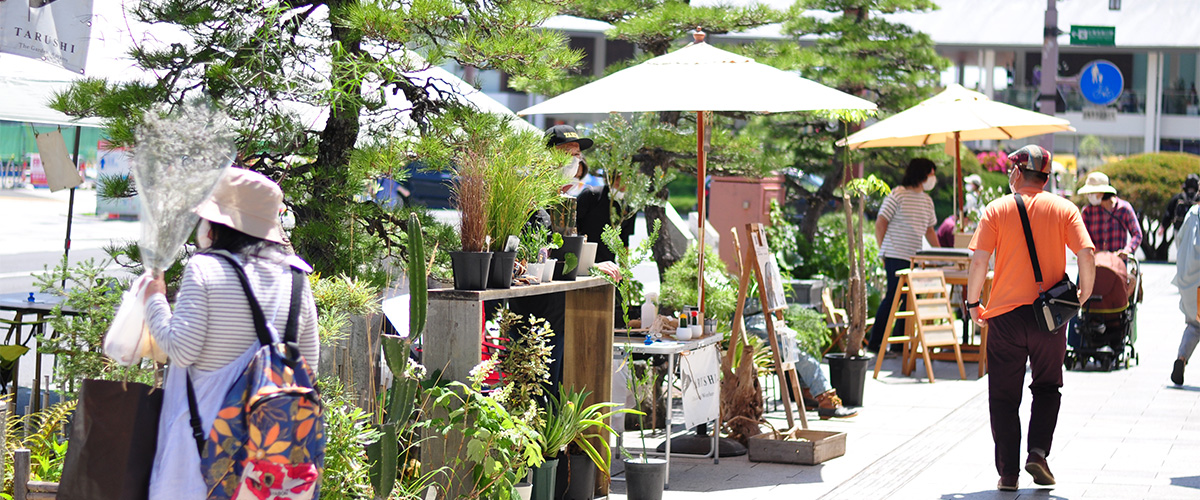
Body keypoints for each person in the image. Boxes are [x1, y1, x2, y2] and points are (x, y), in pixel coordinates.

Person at [143, 168, 320, 498]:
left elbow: (180, 349)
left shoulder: (206, 268)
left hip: (200, 459)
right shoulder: (297, 279)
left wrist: (154, 297)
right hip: (270, 469)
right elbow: (308, 368)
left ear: (216, 224)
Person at [966, 145, 1095, 492]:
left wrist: (972, 303)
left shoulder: (997, 209)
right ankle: (1038, 452)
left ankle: (1008, 474)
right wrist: (1082, 294)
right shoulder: (1064, 208)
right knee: (1048, 386)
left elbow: (979, 262)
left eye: (1012, 170)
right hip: (1050, 317)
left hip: (1006, 317)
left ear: (1019, 173)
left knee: (1004, 396)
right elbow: (1086, 253)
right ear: (1047, 177)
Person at [868, 158, 940, 353]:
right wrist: (883, 248)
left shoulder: (927, 201)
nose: (933, 178)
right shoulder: (897, 195)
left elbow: (930, 230)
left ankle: (899, 345)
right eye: (932, 173)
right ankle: (876, 343)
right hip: (895, 254)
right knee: (893, 297)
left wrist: (940, 253)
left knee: (908, 300)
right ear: (922, 174)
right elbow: (881, 222)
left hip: (914, 256)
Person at [1077, 171, 1142, 258]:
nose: (1089, 196)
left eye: (1093, 193)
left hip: (1119, 264)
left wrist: (1127, 250)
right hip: (1095, 263)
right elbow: (1083, 238)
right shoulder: (1088, 212)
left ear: (1104, 192)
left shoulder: (1124, 208)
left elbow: (1137, 234)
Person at [1170, 197, 1200, 385]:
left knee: (1194, 325)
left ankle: (1181, 359)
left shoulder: (1191, 214)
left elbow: (1179, 242)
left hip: (1189, 281)